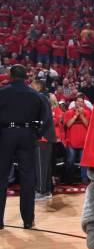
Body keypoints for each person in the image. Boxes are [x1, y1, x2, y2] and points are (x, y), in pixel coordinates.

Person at [0, 65, 51, 229]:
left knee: (1, 177)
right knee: (28, 178)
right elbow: (47, 118)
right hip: (27, 135)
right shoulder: (35, 94)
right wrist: (36, 133)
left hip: (5, 134)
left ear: (11, 75)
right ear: (25, 77)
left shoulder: (2, 92)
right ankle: (28, 220)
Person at [63, 95, 91, 184]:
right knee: (70, 161)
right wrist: (76, 115)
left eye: (81, 101)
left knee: (84, 162)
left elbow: (87, 125)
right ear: (75, 102)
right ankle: (69, 179)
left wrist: (82, 115)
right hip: (71, 141)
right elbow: (68, 125)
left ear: (83, 103)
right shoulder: (68, 112)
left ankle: (84, 179)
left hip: (83, 142)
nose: (80, 103)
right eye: (78, 101)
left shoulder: (88, 112)